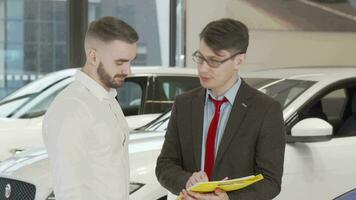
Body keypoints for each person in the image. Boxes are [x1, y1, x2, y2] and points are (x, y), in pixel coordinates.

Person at [156, 18, 285, 200]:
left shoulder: (265, 109)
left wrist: (228, 199)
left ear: (238, 60)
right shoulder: (184, 104)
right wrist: (187, 180)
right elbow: (165, 165)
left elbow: (271, 181)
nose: (202, 69)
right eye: (200, 58)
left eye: (214, 61)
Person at [42, 16, 138, 200]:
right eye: (120, 62)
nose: (128, 71)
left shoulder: (107, 100)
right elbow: (70, 190)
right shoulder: (71, 108)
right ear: (93, 56)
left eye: (130, 62)